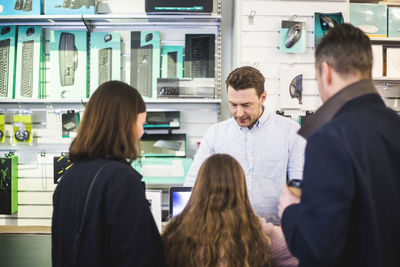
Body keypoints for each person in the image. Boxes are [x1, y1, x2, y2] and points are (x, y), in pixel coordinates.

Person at [278, 23, 400, 267]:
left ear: (327, 71)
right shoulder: (395, 124)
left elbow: (317, 248)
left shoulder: (329, 138)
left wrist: (290, 212)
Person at [52, 81, 165, 267]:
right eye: (141, 123)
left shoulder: (69, 178)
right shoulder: (120, 179)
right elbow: (139, 255)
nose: (142, 133)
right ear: (124, 124)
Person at [184, 66, 306, 224]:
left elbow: (300, 189)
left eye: (246, 105)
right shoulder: (215, 134)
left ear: (263, 98)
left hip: (276, 234)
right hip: (226, 234)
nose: (239, 113)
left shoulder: (291, 132)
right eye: (233, 105)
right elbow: (192, 185)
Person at [163, 153, 298, 267]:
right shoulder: (259, 232)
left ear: (199, 188)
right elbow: (302, 254)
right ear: (241, 191)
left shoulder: (175, 233)